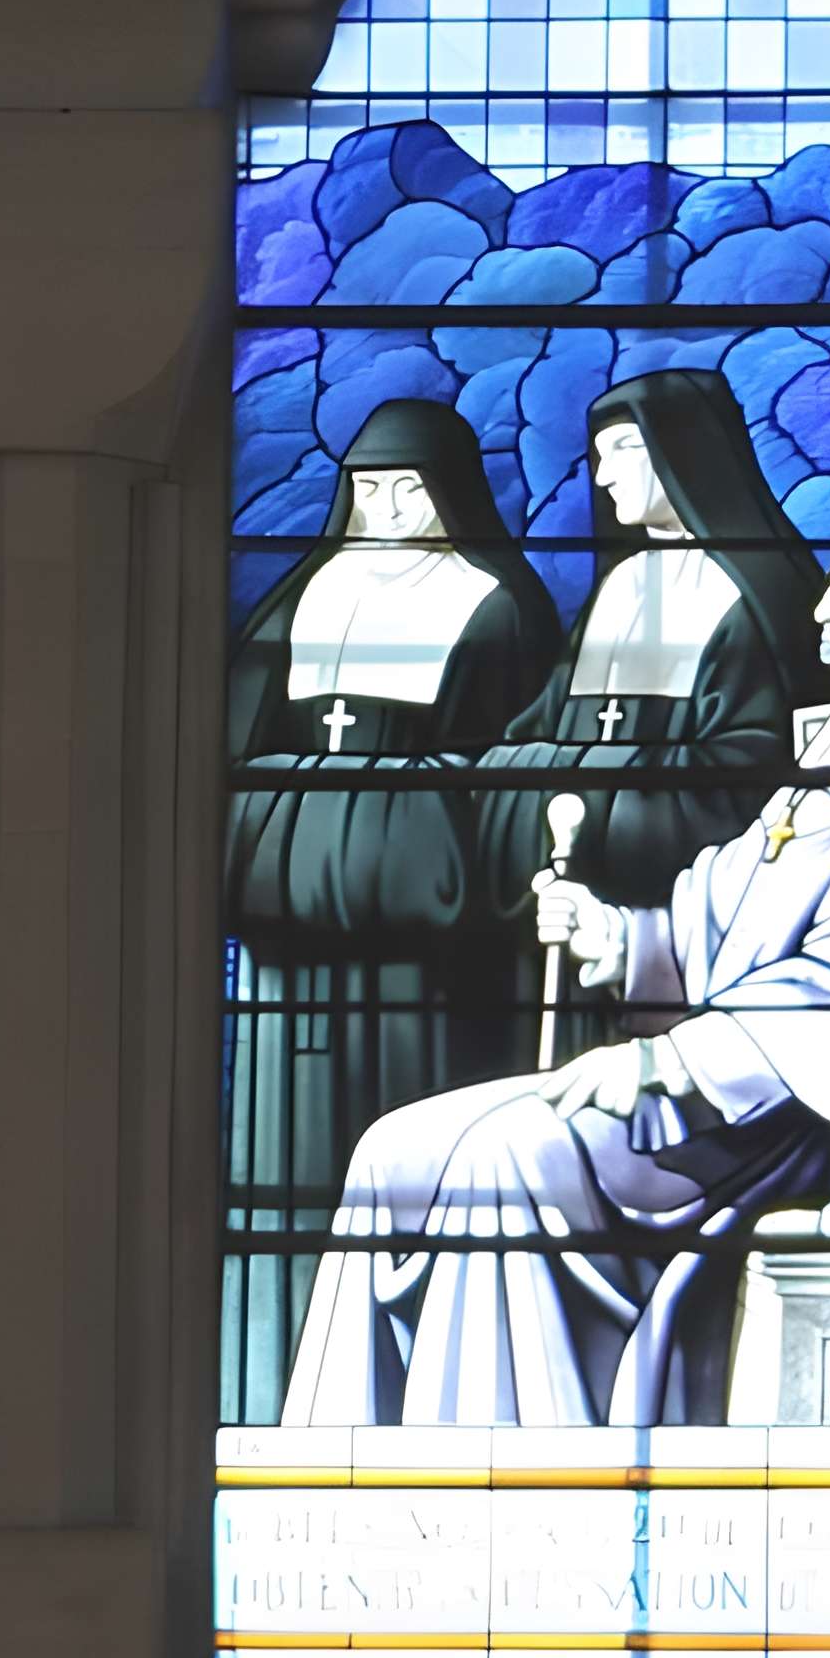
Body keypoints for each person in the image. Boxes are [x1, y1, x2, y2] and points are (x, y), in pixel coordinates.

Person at [283, 512, 830, 1427]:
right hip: (732, 1087)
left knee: (508, 1157)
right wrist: (618, 939)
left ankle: (520, 1478)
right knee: (395, 1149)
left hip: (804, 1116)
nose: (822, 603)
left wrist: (678, 1063)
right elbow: (724, 917)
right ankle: (348, 1464)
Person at [219, 401, 563, 1418]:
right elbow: (230, 751)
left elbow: (507, 776)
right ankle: (263, 1389)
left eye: (411, 486)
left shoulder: (494, 604)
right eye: (370, 486)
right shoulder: (300, 599)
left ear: (451, 491)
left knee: (405, 1143)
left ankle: (405, 1396)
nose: (390, 505)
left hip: (424, 954)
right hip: (292, 943)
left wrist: (382, 807)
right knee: (277, 1169)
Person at [473, 372, 830, 1063]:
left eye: (621, 450)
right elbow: (535, 734)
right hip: (577, 909)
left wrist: (590, 783)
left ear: (681, 451)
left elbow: (752, 774)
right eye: (598, 455)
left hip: (686, 934)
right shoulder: (620, 585)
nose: (604, 476)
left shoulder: (760, 594)